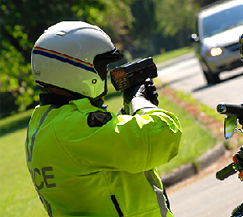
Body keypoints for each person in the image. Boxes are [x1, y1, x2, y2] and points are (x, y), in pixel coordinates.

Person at [26, 21, 182, 217]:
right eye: (102, 66)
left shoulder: (45, 123)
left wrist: (129, 109)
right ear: (76, 68)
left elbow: (107, 156)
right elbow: (162, 136)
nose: (106, 73)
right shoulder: (73, 128)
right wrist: (141, 103)